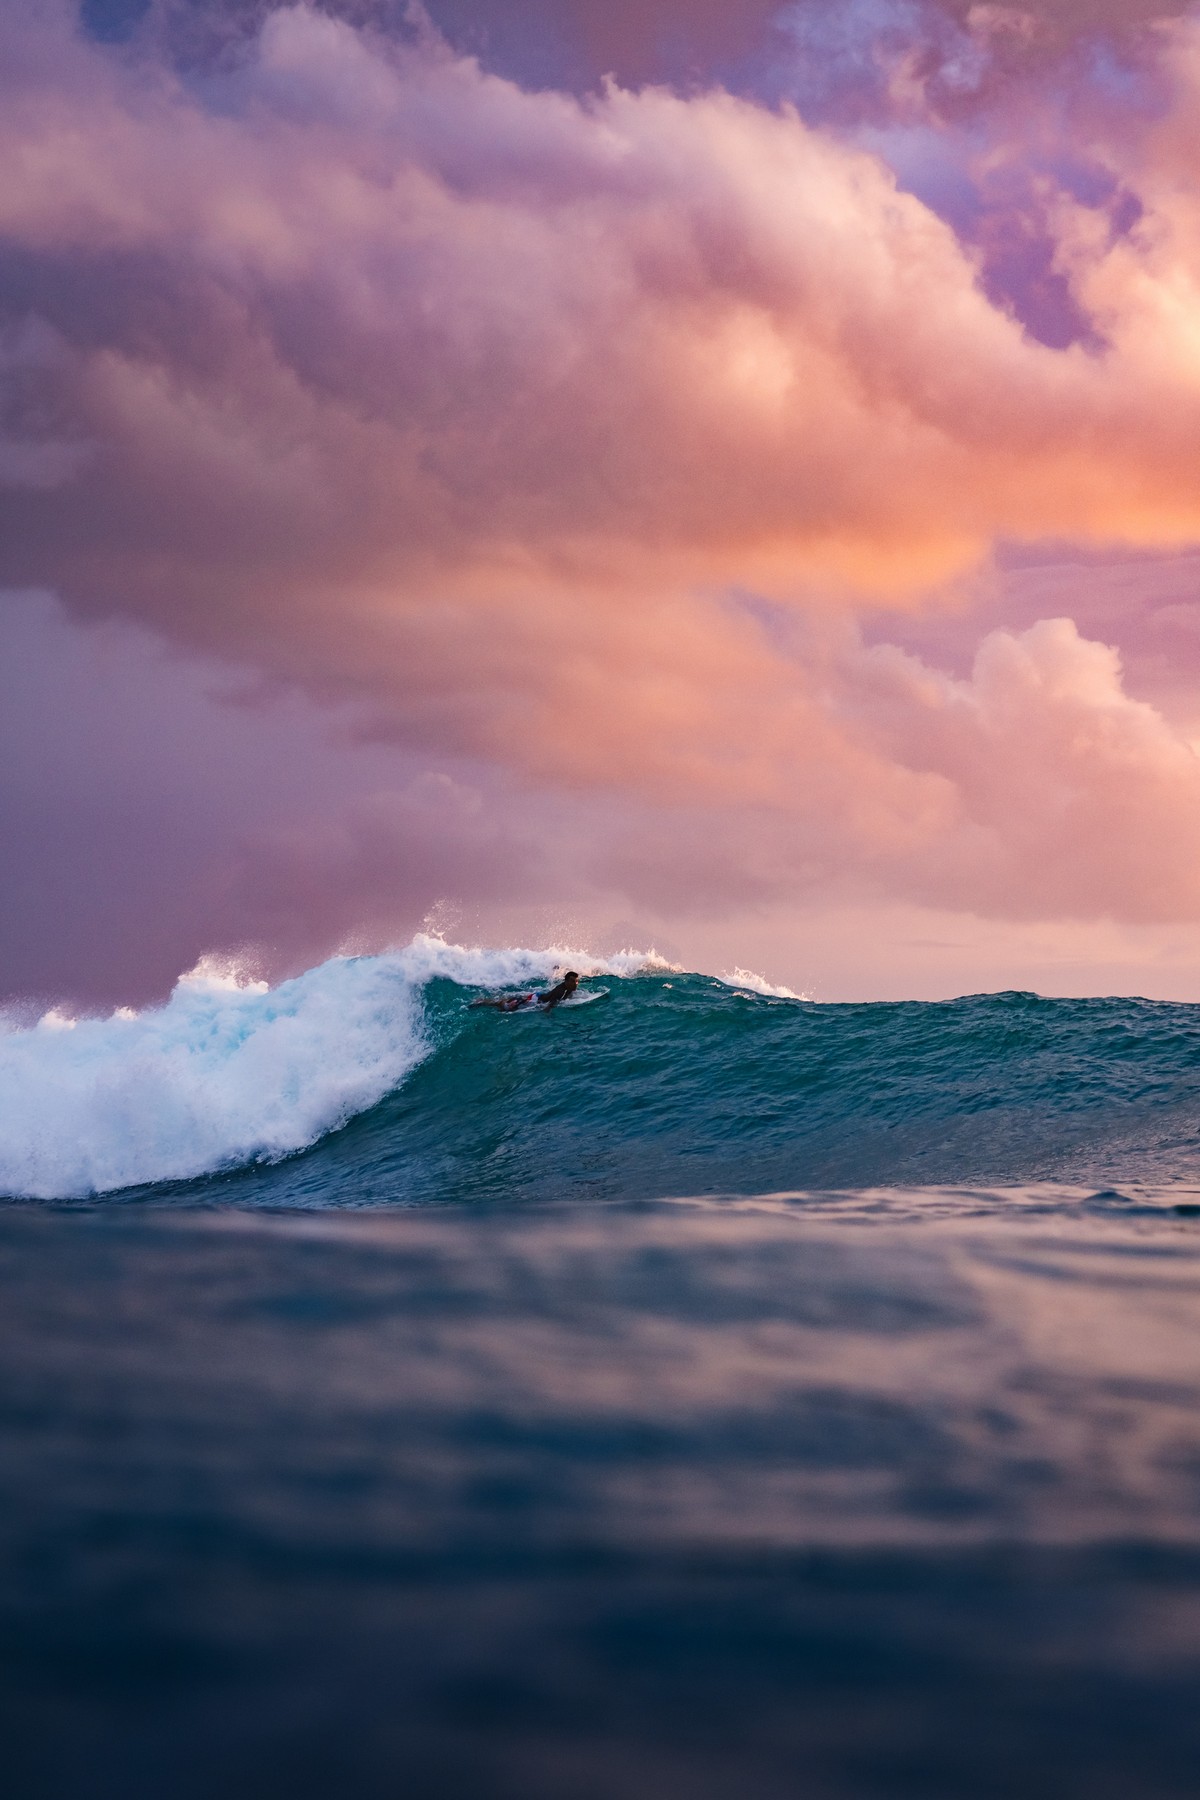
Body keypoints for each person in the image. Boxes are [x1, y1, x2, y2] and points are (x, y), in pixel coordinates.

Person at [471, 971, 580, 1012]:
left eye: (576, 981)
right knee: (505, 1006)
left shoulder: (568, 989)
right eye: (572, 981)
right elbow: (549, 1007)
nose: (575, 983)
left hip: (537, 996)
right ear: (565, 981)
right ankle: (481, 1001)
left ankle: (490, 999)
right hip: (533, 1000)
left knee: (509, 1001)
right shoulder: (560, 991)